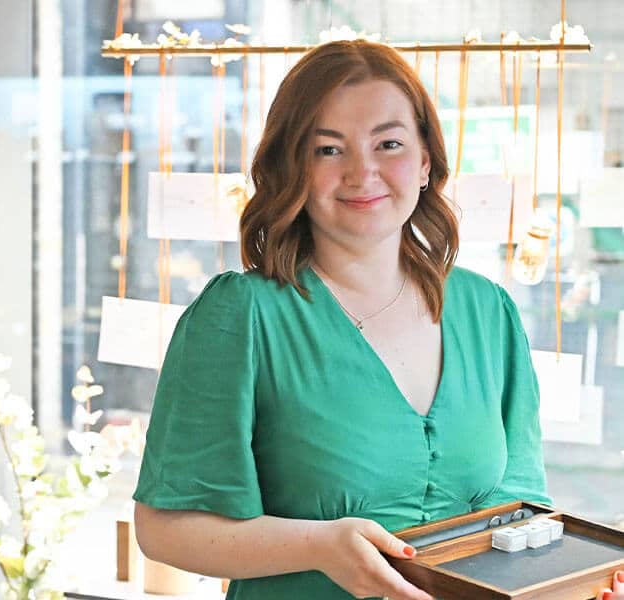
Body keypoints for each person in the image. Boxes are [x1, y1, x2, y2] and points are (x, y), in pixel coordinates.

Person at [132, 40, 621, 600]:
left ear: (425, 161)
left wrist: (573, 586)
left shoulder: (490, 312)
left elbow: (520, 517)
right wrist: (317, 546)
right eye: (328, 150)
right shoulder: (240, 316)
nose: (362, 172)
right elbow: (164, 529)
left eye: (388, 143)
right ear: (292, 167)